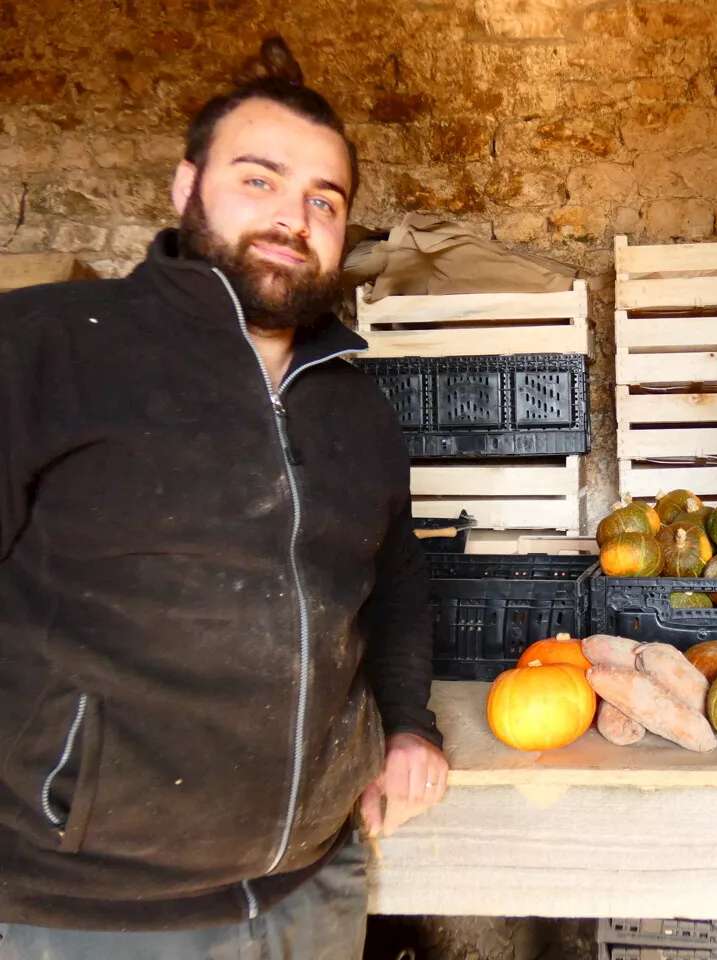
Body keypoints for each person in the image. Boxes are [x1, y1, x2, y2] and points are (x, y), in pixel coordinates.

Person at [0, 37, 447, 958]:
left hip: (311, 888)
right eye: (259, 181)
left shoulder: (356, 400)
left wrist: (409, 726)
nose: (294, 217)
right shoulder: (46, 350)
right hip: (86, 911)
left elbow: (395, 582)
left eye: (325, 200)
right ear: (184, 187)